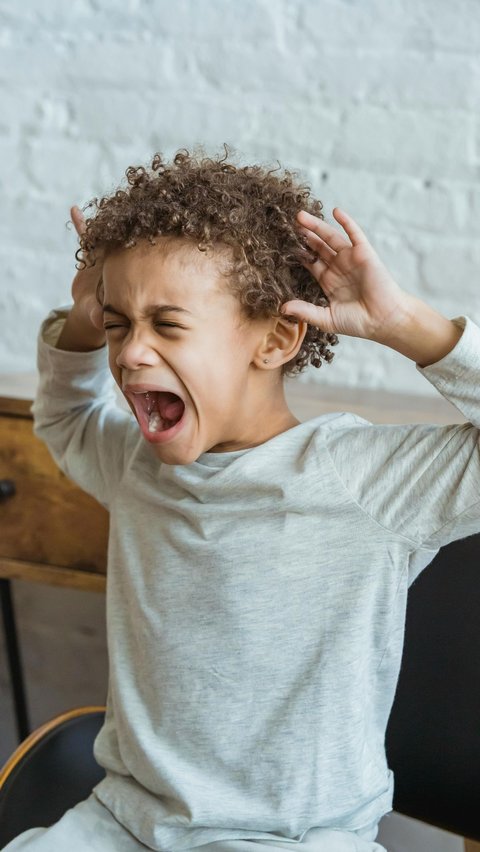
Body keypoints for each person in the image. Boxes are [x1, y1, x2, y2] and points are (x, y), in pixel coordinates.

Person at [5, 149, 479, 852]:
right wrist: (80, 323)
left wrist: (407, 324)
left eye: (167, 325)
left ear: (278, 338)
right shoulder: (138, 464)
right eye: (118, 325)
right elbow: (65, 417)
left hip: (292, 841)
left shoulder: (362, 479)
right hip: (123, 822)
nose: (131, 353)